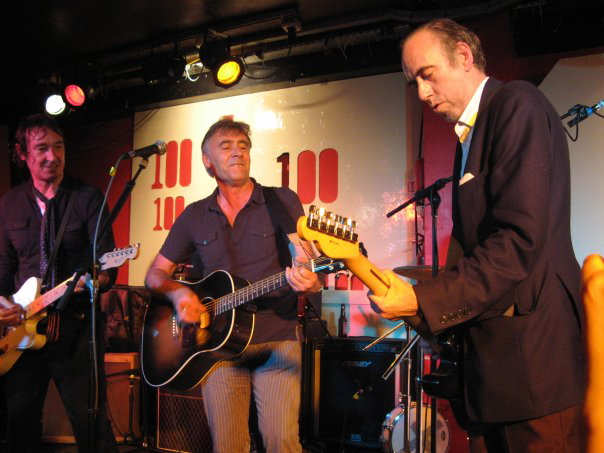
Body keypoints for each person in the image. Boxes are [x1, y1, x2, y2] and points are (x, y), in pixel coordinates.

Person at [369, 18, 585, 453]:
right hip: (500, 375)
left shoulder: (516, 104)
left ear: (464, 56)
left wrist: (422, 299)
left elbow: (517, 242)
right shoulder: (470, 135)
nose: (423, 94)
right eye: (415, 84)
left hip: (533, 372)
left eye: (427, 76)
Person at [145, 118, 322, 453]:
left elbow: (304, 258)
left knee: (281, 441)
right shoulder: (194, 215)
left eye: (243, 146)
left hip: (276, 339)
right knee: (227, 445)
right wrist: (181, 293)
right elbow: (155, 274)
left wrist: (309, 277)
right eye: (226, 146)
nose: (237, 152)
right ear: (207, 161)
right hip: (217, 348)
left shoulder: (282, 200)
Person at [0, 114, 118, 453]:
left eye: (58, 146)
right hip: (22, 332)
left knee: (91, 425)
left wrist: (97, 281)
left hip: (77, 329)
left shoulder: (87, 198)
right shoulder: (9, 205)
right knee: (20, 425)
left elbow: (108, 263)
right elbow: (3, 270)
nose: (52, 156)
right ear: (23, 154)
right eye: (41, 148)